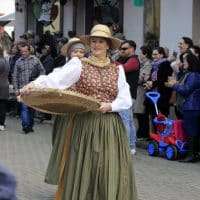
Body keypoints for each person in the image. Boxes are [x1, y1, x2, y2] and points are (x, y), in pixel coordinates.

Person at [21, 24, 137, 200]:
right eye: (94, 41)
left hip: (110, 125)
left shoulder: (117, 69)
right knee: (86, 163)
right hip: (85, 123)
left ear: (108, 45)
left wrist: (110, 106)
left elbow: (125, 98)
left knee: (108, 164)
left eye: (100, 41)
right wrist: (33, 86)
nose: (96, 45)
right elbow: (55, 79)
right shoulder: (79, 64)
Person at [166, 53, 200, 163]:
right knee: (193, 131)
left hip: (192, 107)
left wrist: (174, 85)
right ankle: (193, 154)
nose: (183, 63)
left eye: (185, 61)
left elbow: (186, 90)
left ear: (191, 62)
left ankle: (191, 155)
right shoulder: (191, 74)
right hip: (192, 106)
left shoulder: (193, 75)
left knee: (191, 131)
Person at [13, 42, 45, 134]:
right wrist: (16, 89)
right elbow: (15, 76)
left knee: (31, 108)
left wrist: (38, 80)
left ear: (29, 51)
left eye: (25, 51)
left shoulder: (35, 60)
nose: (23, 53)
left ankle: (30, 125)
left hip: (33, 89)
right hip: (23, 89)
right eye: (21, 52)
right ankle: (25, 126)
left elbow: (42, 71)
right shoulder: (18, 62)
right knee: (24, 108)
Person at [116, 40, 140, 154]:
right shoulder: (122, 59)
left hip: (128, 95)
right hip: (124, 95)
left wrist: (112, 61)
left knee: (126, 120)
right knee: (128, 120)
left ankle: (127, 146)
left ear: (132, 49)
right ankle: (131, 146)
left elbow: (122, 69)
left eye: (124, 49)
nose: (121, 51)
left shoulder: (134, 60)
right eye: (121, 49)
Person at [134, 46, 152, 139]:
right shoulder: (142, 63)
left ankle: (143, 133)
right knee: (139, 112)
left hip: (143, 90)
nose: (139, 55)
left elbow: (142, 78)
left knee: (142, 112)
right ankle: (141, 132)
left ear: (145, 54)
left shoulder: (148, 64)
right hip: (139, 90)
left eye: (141, 53)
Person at [0, 46, 10, 131]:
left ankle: (1, 123)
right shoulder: (6, 61)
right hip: (5, 85)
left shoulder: (0, 61)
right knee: (3, 105)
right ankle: (2, 124)